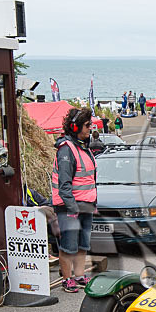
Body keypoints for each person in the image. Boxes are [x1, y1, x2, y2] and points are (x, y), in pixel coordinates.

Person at [51, 107, 97, 293]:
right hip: (70, 207)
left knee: (82, 244)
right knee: (68, 246)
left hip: (85, 205)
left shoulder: (83, 148)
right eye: (87, 125)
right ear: (75, 127)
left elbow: (89, 179)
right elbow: (64, 184)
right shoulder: (66, 150)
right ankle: (66, 279)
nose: (90, 128)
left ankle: (78, 275)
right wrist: (72, 208)